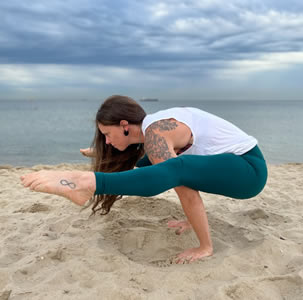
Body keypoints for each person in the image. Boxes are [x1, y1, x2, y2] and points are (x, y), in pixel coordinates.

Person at [21, 95, 267, 263]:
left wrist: (204, 247)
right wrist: (190, 220)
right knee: (152, 163)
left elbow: (187, 192)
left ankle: (88, 183)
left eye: (107, 134)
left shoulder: (158, 133)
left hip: (249, 169)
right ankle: (89, 181)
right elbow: (182, 175)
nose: (107, 140)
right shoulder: (154, 129)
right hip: (229, 166)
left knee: (172, 168)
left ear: (125, 125)